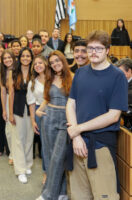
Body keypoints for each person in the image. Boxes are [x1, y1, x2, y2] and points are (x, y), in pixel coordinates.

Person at [66, 30, 128, 200]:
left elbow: (113, 115)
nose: (93, 52)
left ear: (107, 50)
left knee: (104, 196)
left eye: (98, 48)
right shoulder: (80, 73)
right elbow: (71, 104)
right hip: (77, 144)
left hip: (100, 146)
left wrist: (77, 129)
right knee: (79, 195)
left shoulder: (117, 77)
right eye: (90, 48)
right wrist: (76, 136)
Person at [36, 51, 72, 200]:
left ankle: (48, 194)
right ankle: (62, 193)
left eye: (57, 61)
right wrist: (39, 110)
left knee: (59, 158)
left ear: (63, 60)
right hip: (49, 118)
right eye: (51, 62)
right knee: (50, 157)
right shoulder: (50, 78)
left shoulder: (73, 78)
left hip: (65, 120)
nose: (55, 64)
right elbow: (47, 98)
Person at [8, 47, 34, 184]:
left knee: (29, 138)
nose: (25, 58)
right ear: (20, 58)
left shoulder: (35, 72)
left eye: (28, 56)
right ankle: (20, 170)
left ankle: (28, 164)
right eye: (23, 56)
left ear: (31, 58)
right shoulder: (13, 72)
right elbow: (11, 94)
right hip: (17, 108)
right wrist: (10, 113)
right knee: (18, 139)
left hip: (31, 109)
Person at [27, 55, 48, 184]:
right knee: (45, 145)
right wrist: (33, 121)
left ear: (46, 64)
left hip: (57, 111)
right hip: (41, 114)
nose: (38, 65)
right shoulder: (32, 82)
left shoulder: (54, 78)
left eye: (40, 63)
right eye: (35, 64)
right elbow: (31, 103)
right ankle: (46, 172)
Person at [0, 49, 17, 165]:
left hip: (19, 101)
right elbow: (3, 92)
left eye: (9, 57)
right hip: (7, 101)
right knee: (9, 131)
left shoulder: (18, 70)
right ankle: (12, 154)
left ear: (14, 58)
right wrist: (4, 110)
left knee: (18, 130)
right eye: (5, 58)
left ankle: (18, 154)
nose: (7, 60)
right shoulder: (3, 72)